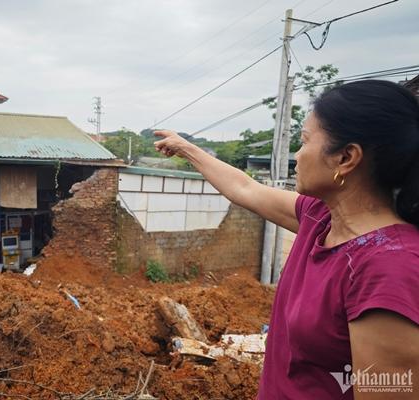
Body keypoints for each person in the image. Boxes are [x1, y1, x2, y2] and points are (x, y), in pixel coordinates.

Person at [153, 80, 419, 399]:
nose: (297, 154)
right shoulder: (320, 217)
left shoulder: (389, 270)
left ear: (346, 157)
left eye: (304, 141)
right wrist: (185, 148)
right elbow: (245, 189)